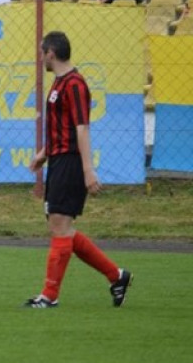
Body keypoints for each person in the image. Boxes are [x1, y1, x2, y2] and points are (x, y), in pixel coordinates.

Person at [24, 31, 133, 308]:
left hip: (71, 163)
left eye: (42, 52)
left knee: (60, 226)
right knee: (62, 227)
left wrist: (87, 170)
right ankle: (116, 276)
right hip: (60, 160)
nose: (41, 58)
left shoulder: (75, 84)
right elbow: (62, 128)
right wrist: (43, 155)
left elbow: (82, 128)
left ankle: (49, 296)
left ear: (51, 52)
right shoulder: (60, 83)